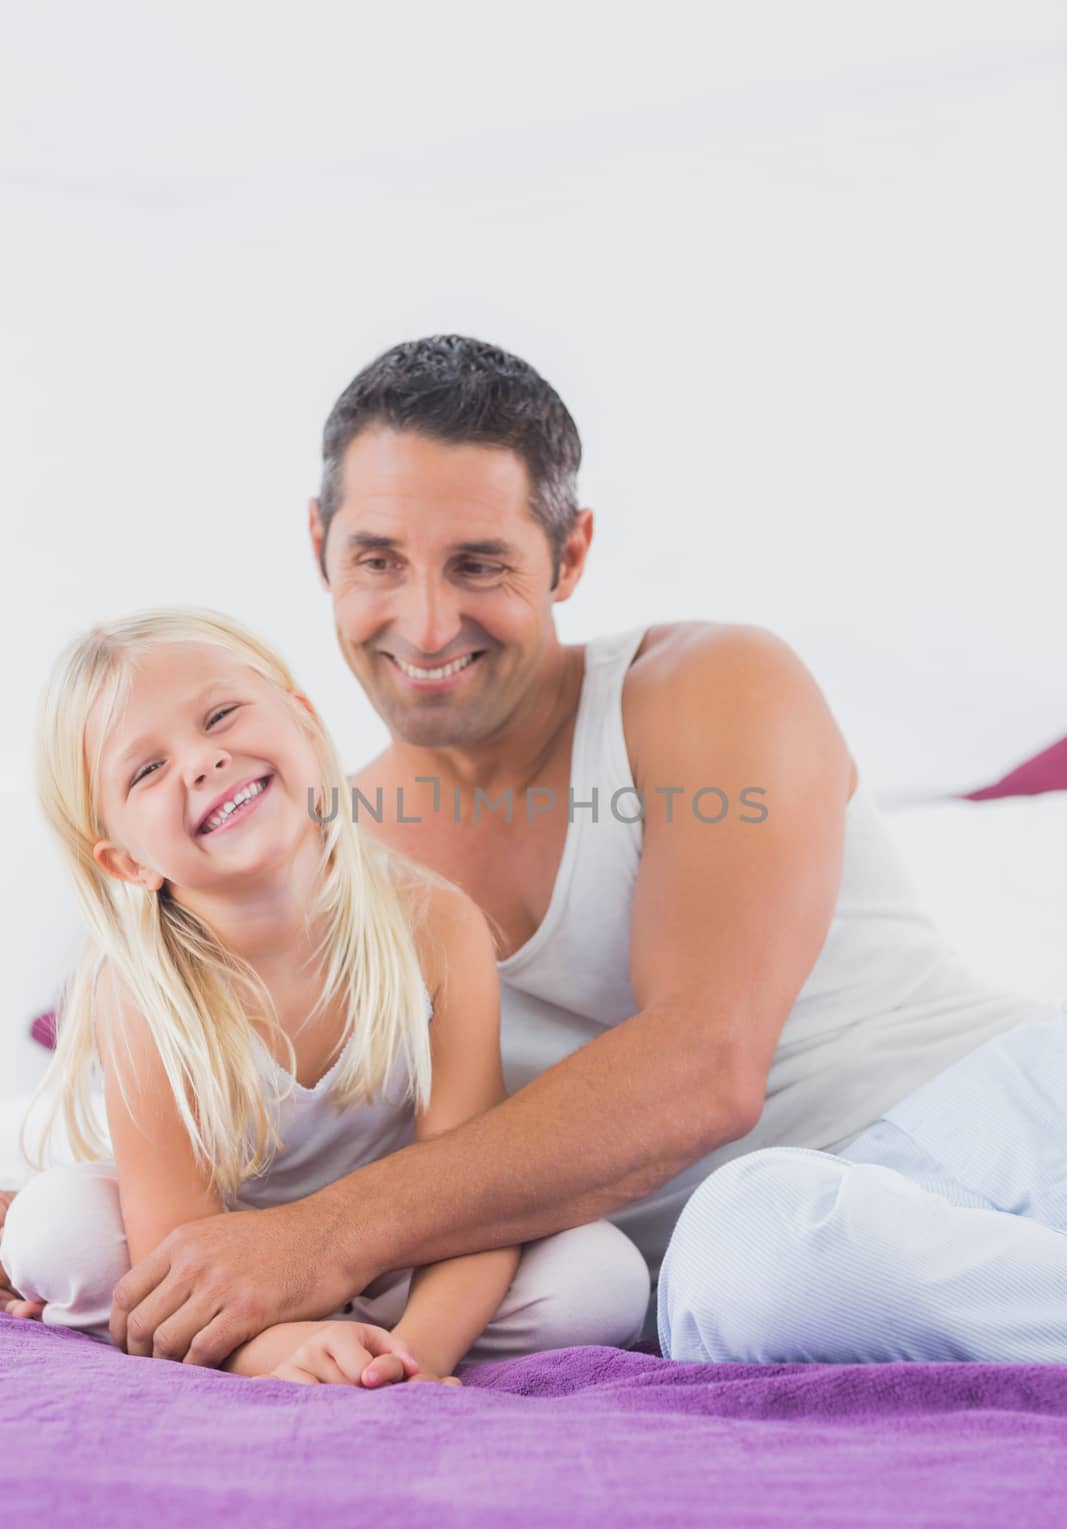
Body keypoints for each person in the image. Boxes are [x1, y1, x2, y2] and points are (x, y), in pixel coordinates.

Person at [5, 335, 1065, 1367]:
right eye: (377, 561)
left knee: (756, 1236)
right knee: (739, 1266)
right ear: (318, 546)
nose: (424, 625)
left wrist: (321, 1239)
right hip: (755, 1276)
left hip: (992, 1123)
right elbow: (236, 1110)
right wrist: (60, 1234)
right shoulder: (311, 856)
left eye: (478, 564)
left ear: (568, 553)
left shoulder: (702, 688)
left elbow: (704, 1067)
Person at [0, 606, 651, 1380]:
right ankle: (292, 1347)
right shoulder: (142, 993)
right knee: (55, 1234)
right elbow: (175, 1243)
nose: (203, 761)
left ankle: (354, 1344)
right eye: (146, 770)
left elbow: (471, 1189)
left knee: (603, 1279)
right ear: (127, 863)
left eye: (220, 715)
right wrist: (281, 1352)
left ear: (305, 723)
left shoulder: (434, 926)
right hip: (221, 1266)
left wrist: (415, 1359)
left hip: (401, 1243)